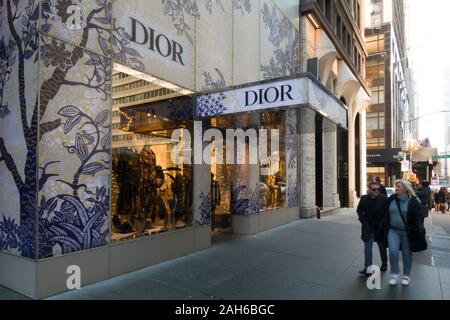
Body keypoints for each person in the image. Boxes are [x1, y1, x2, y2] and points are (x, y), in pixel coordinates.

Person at [386, 180, 425, 286]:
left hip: (407, 232)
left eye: (399, 186)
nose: (396, 188)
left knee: (407, 255)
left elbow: (419, 216)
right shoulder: (392, 199)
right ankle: (394, 274)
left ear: (405, 188)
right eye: (396, 186)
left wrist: (417, 228)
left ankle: (406, 276)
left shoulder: (413, 201)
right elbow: (385, 212)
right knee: (393, 252)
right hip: (393, 230)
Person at [356, 181, 389, 275]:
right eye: (374, 189)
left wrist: (383, 224)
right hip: (368, 226)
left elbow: (386, 214)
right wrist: (362, 220)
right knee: (368, 247)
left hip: (380, 227)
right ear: (369, 190)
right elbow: (359, 209)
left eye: (378, 189)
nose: (376, 191)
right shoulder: (364, 198)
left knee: (382, 247)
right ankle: (368, 268)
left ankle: (384, 264)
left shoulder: (384, 199)